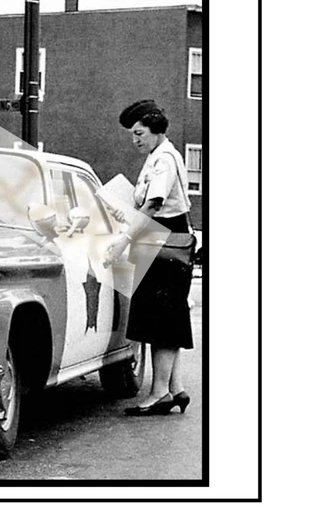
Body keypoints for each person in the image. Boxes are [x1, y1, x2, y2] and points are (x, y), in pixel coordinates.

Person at [117, 99, 194, 417]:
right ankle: (175, 388)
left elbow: (153, 204)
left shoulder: (163, 159)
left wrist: (123, 239)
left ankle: (159, 392)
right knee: (164, 317)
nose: (135, 139)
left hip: (163, 239)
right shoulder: (158, 155)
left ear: (156, 131)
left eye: (140, 133)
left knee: (163, 319)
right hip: (160, 238)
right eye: (133, 134)